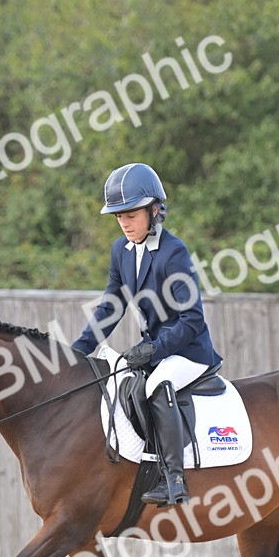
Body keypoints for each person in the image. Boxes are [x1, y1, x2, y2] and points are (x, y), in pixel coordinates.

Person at [72, 163, 222, 507]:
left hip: (188, 351)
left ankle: (174, 479)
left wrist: (153, 350)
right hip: (156, 350)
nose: (124, 222)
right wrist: (78, 350)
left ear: (155, 210)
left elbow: (193, 319)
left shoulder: (174, 252)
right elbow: (110, 307)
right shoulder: (120, 252)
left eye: (131, 214)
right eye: (118, 216)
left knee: (155, 385)